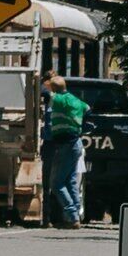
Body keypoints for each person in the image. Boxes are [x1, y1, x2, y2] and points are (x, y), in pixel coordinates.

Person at [41, 73, 91, 228]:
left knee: (56, 184)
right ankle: (75, 217)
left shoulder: (57, 99)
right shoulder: (76, 100)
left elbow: (44, 93)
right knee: (70, 181)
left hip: (64, 144)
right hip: (76, 143)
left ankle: (72, 215)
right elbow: (88, 109)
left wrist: (42, 82)